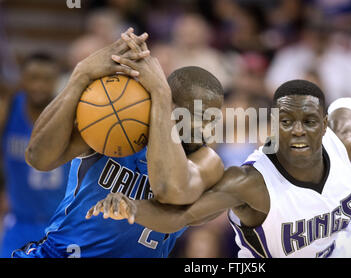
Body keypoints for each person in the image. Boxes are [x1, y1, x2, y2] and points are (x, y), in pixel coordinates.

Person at [88, 80, 351, 258]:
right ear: (273, 125)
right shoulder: (248, 182)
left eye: (309, 121)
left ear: (324, 124)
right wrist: (133, 209)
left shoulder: (341, 143)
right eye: (287, 121)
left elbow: (350, 106)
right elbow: (181, 217)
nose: (298, 130)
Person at [12, 28, 224, 258]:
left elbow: (170, 190)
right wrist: (81, 75)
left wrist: (161, 91)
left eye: (210, 117)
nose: (203, 126)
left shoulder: (207, 162)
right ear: (170, 108)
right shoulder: (119, 124)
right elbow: (37, 157)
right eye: (194, 113)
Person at [0, 53, 70, 258]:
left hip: (61, 225)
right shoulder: (9, 109)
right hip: (20, 222)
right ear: (22, 78)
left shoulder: (69, 113)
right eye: (33, 78)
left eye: (46, 79)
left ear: (57, 80)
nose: (39, 85)